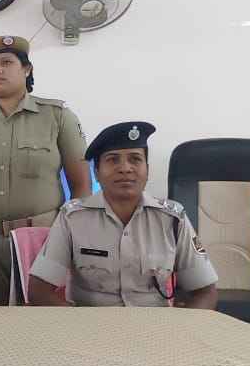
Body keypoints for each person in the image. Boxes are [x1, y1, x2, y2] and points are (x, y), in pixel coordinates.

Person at [0, 35, 91, 306]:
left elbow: (81, 185)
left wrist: (70, 241)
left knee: (41, 322)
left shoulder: (57, 117)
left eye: (6, 62)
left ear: (27, 69)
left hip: (42, 243)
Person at [28, 121, 219, 308]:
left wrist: (181, 326)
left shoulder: (173, 218)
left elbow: (206, 291)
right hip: (92, 323)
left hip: (154, 323)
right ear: (97, 172)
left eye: (135, 159)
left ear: (147, 170)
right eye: (113, 160)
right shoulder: (72, 218)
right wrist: (76, 324)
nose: (125, 168)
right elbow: (39, 290)